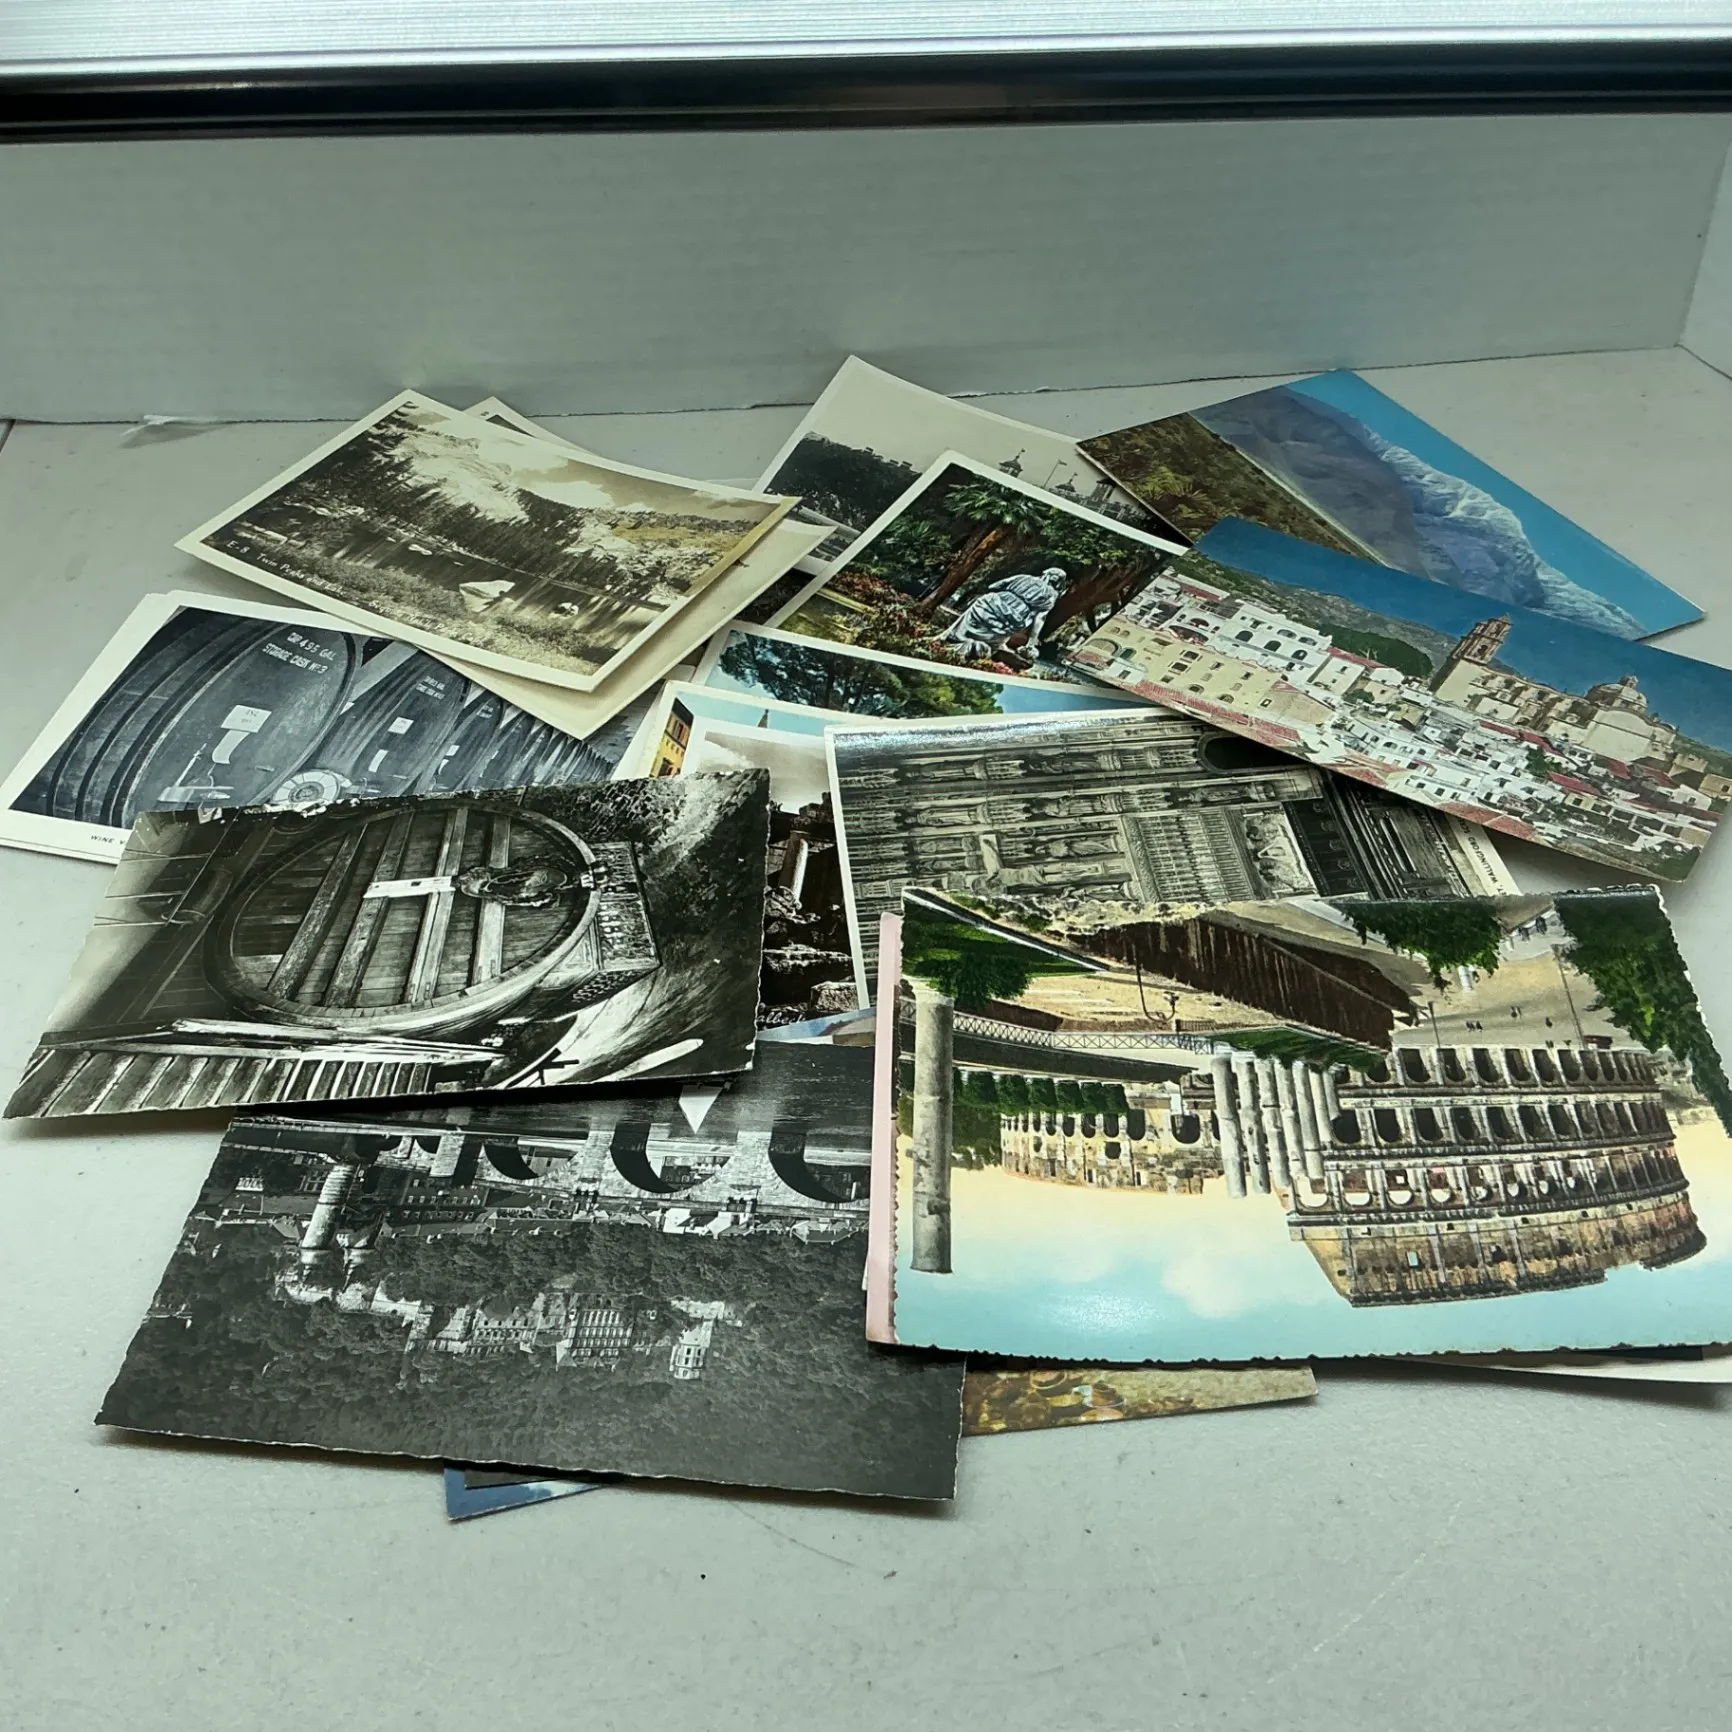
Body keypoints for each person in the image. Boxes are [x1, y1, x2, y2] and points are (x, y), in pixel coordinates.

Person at [940, 566, 1068, 660]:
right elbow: (1040, 618)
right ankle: (983, 650)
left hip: (990, 604)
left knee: (978, 607)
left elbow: (994, 586)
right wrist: (1031, 642)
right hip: (1013, 618)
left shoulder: (1024, 577)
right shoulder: (1051, 595)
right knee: (1000, 635)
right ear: (1058, 581)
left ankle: (954, 637)